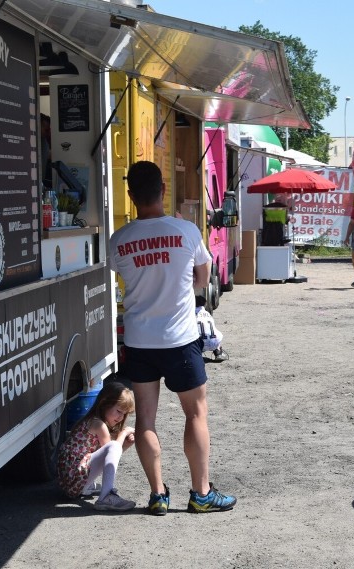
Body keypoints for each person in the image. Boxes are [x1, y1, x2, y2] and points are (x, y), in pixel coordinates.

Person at [108, 161, 236, 516]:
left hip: (139, 342)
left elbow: (118, 278)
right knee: (195, 414)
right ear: (163, 189)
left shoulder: (119, 240)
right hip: (180, 339)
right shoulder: (186, 230)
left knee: (146, 420)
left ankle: (158, 495)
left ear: (131, 195)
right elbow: (202, 279)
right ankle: (201, 493)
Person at [57, 381, 136, 511]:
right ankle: (105, 497)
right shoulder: (98, 424)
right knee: (114, 445)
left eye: (124, 414)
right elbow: (112, 449)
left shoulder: (93, 420)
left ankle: (89, 487)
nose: (121, 417)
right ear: (104, 404)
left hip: (71, 480)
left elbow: (109, 456)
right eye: (118, 411)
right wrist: (123, 434)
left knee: (114, 446)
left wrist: (125, 443)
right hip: (74, 480)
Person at [195, 295, 228, 363]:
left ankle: (195, 355)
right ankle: (218, 352)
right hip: (214, 343)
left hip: (199, 345)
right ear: (204, 304)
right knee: (215, 334)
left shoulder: (191, 314)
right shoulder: (208, 314)